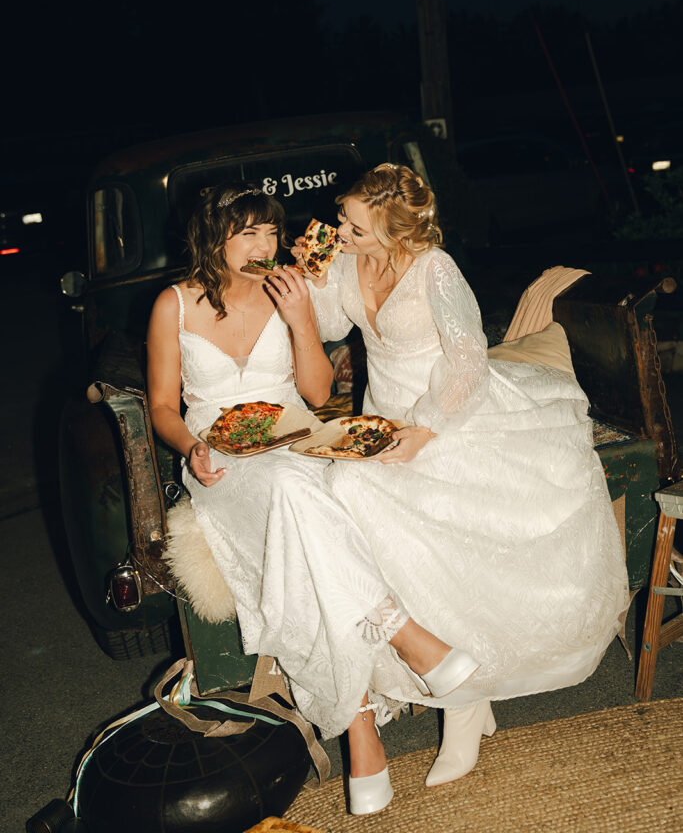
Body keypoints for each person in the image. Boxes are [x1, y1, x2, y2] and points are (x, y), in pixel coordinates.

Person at [146, 181, 487, 817]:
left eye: (271, 232)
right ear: (211, 239)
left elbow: (316, 385)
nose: (265, 245)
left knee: (299, 492)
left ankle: (362, 731)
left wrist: (302, 318)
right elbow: (165, 406)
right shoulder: (175, 304)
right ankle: (403, 634)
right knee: (292, 490)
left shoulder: (289, 291)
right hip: (220, 454)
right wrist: (190, 446)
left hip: (295, 431)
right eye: (247, 233)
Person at [291, 162, 629, 793]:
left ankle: (464, 705)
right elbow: (334, 326)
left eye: (356, 226)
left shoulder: (436, 270)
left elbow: (470, 361)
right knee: (350, 495)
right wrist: (305, 287)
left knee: (398, 510)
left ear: (394, 231)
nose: (342, 230)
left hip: (454, 415)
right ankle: (463, 687)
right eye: (342, 219)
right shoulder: (343, 257)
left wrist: (424, 429)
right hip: (385, 418)